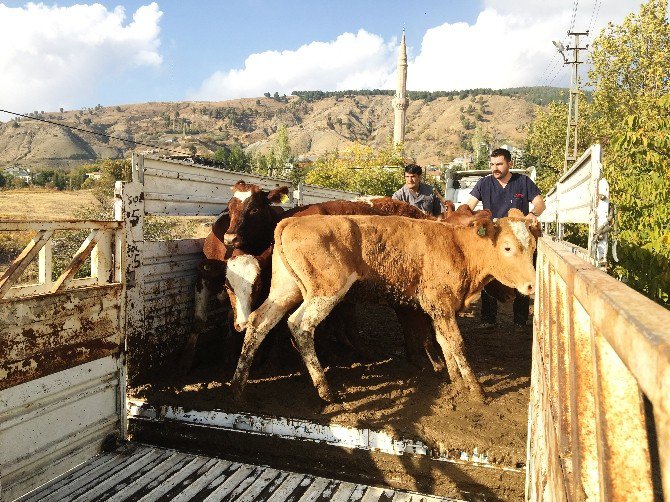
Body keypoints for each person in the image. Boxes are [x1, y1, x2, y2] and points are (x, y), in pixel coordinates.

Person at [466, 148, 545, 331]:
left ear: (510, 164)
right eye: (492, 164)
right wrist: (469, 218)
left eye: (499, 164)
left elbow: (540, 203)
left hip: (519, 239)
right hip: (495, 238)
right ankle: (488, 319)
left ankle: (520, 320)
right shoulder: (484, 183)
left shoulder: (523, 182)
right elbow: (469, 207)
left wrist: (532, 214)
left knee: (523, 271)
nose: (495, 168)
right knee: (490, 276)